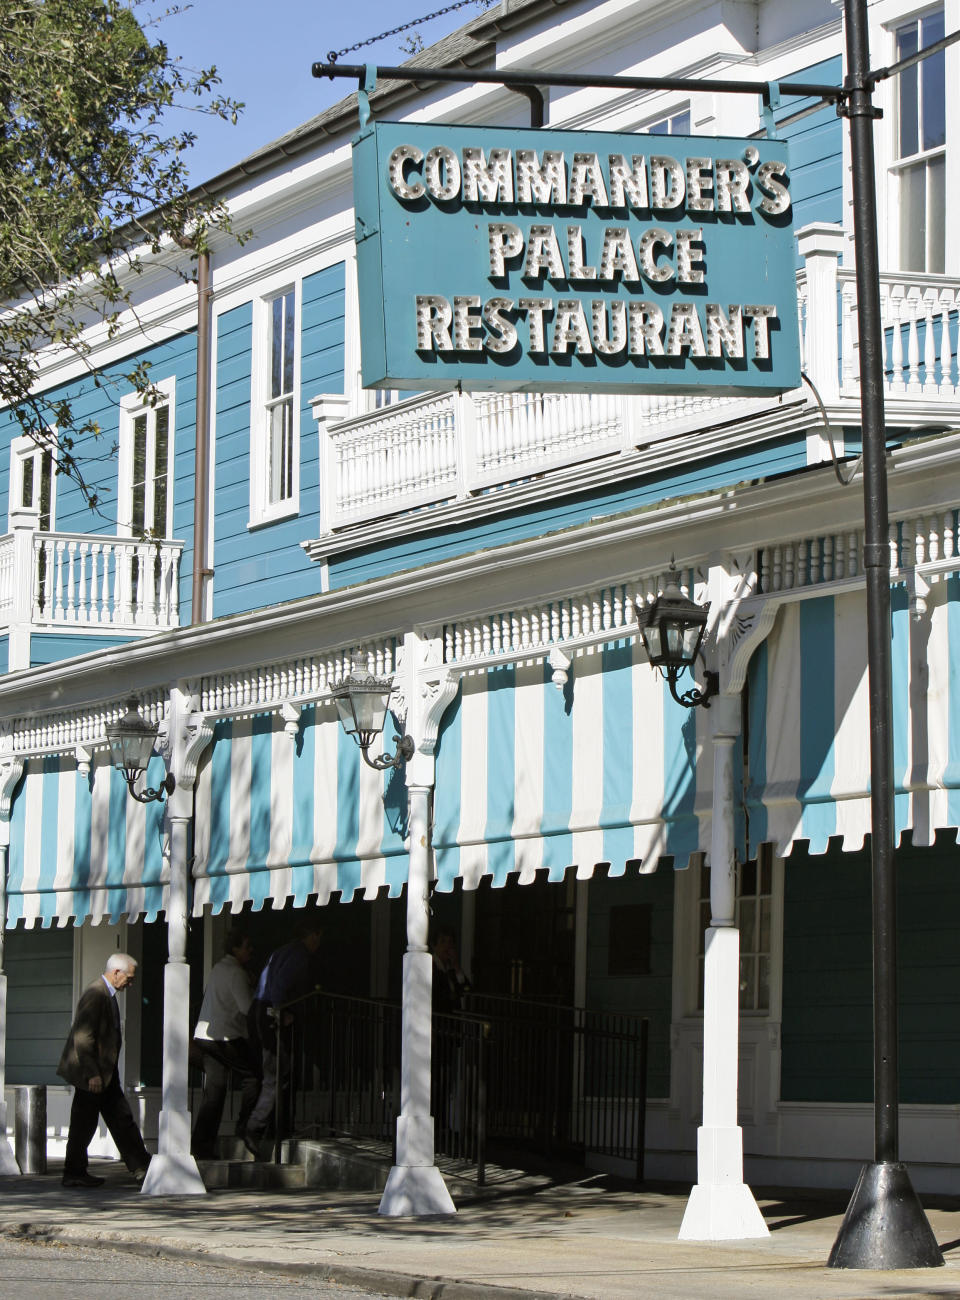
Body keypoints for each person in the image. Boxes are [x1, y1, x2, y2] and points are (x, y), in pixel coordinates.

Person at [57, 952, 152, 1189]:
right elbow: (83, 1036)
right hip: (93, 1073)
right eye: (129, 978)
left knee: (120, 1119)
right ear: (116, 972)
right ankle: (74, 1172)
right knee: (85, 1124)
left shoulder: (106, 994)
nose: (130, 983)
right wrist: (92, 1073)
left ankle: (141, 1166)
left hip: (104, 1072)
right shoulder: (96, 993)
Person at [242, 916, 323, 1156]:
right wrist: (280, 1012)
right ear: (311, 936)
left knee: (276, 1073)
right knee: (276, 1074)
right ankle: (255, 1127)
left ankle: (271, 1127)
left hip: (258, 1011)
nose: (318, 943)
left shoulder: (283, 951)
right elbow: (278, 986)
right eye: (317, 937)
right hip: (268, 1014)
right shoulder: (298, 955)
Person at [191, 926, 259, 1160]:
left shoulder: (219, 968)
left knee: (215, 1090)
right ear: (235, 948)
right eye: (247, 946)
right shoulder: (236, 973)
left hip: (205, 1037)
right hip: (225, 1036)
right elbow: (246, 1008)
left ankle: (201, 1145)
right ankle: (245, 1125)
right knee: (253, 1075)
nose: (251, 951)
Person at [432, 928, 471, 1013]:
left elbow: (466, 989)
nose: (447, 946)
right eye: (443, 942)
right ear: (434, 946)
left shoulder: (451, 968)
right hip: (438, 1018)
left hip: (453, 1019)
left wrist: (457, 967)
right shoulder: (431, 967)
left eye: (450, 942)